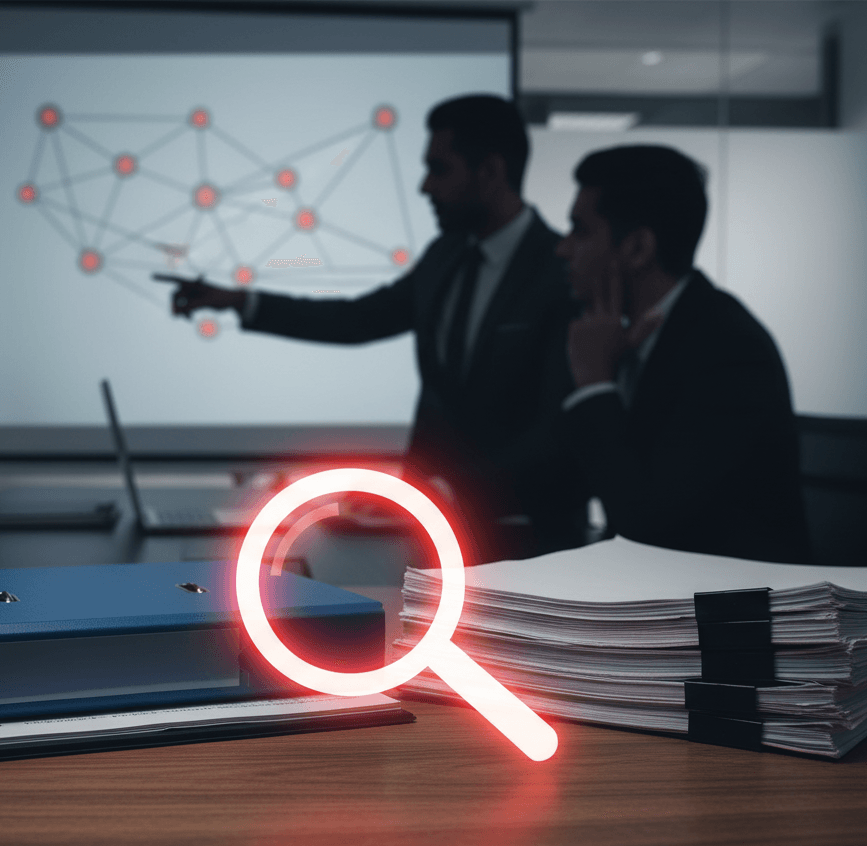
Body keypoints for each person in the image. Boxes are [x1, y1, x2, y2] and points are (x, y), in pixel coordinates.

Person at [167, 94, 579, 562]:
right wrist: (242, 301)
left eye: (439, 169)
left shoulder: (563, 272)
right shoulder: (444, 257)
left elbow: (559, 428)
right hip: (434, 537)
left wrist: (457, 491)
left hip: (527, 545)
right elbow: (357, 318)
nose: (425, 187)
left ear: (489, 171)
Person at [556, 145, 811, 564]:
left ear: (637, 247)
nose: (562, 249)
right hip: (664, 596)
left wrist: (595, 384)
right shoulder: (628, 338)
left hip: (727, 611)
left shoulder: (726, 349)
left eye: (579, 230)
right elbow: (564, 482)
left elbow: (646, 523)